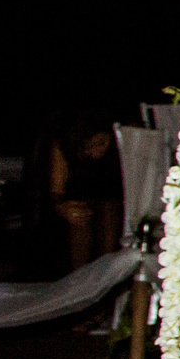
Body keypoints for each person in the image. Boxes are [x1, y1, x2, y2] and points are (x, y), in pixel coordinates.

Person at [45, 112, 124, 273]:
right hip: (79, 201)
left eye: (101, 144)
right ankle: (79, 282)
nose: (95, 152)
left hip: (114, 203)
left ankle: (106, 278)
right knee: (80, 218)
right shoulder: (65, 145)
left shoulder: (121, 146)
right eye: (89, 147)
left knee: (109, 210)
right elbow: (56, 190)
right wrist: (62, 207)